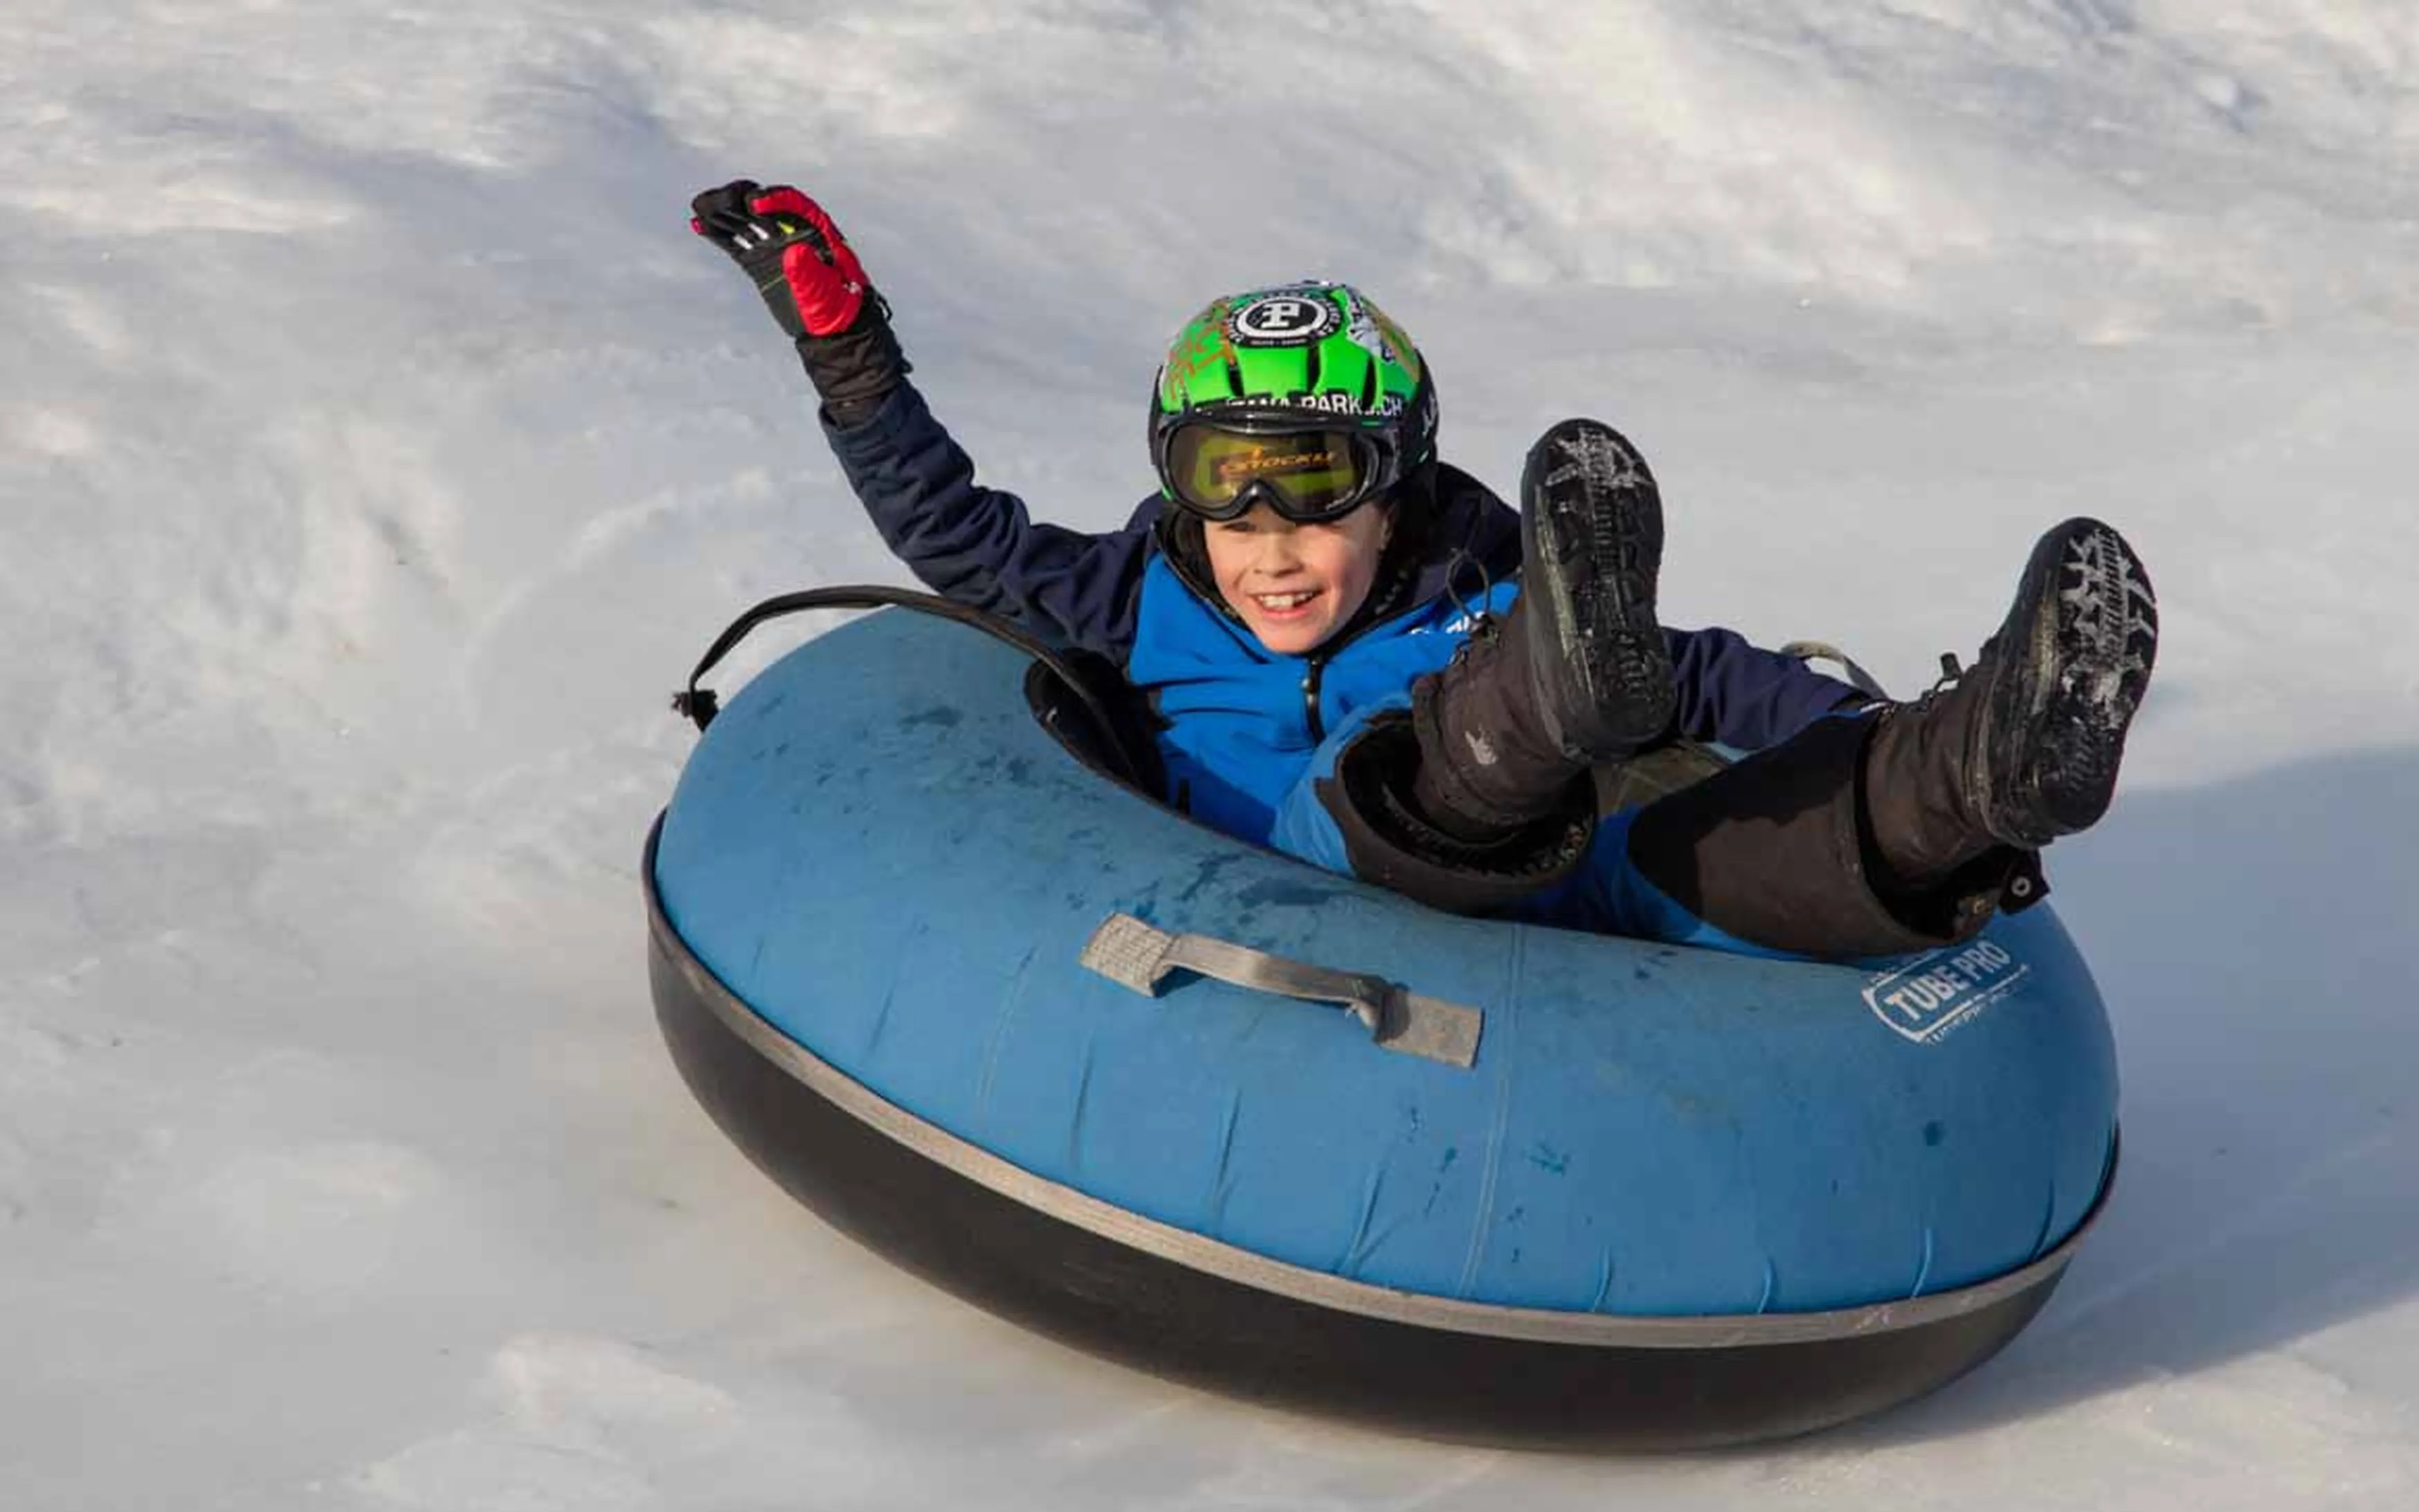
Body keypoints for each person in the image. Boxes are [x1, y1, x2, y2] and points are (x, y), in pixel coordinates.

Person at [689, 181, 2158, 960]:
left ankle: (1982, 771)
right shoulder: (1130, 596)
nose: (1269, 543)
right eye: (1226, 494)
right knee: (1402, 767)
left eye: (1317, 494)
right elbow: (949, 531)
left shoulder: (1486, 588)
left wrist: (1862, 749)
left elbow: (1718, 675)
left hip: (1559, 929)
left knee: (1707, 858)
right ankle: (1525, 712)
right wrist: (846, 350)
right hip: (1314, 878)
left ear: (1398, 497)